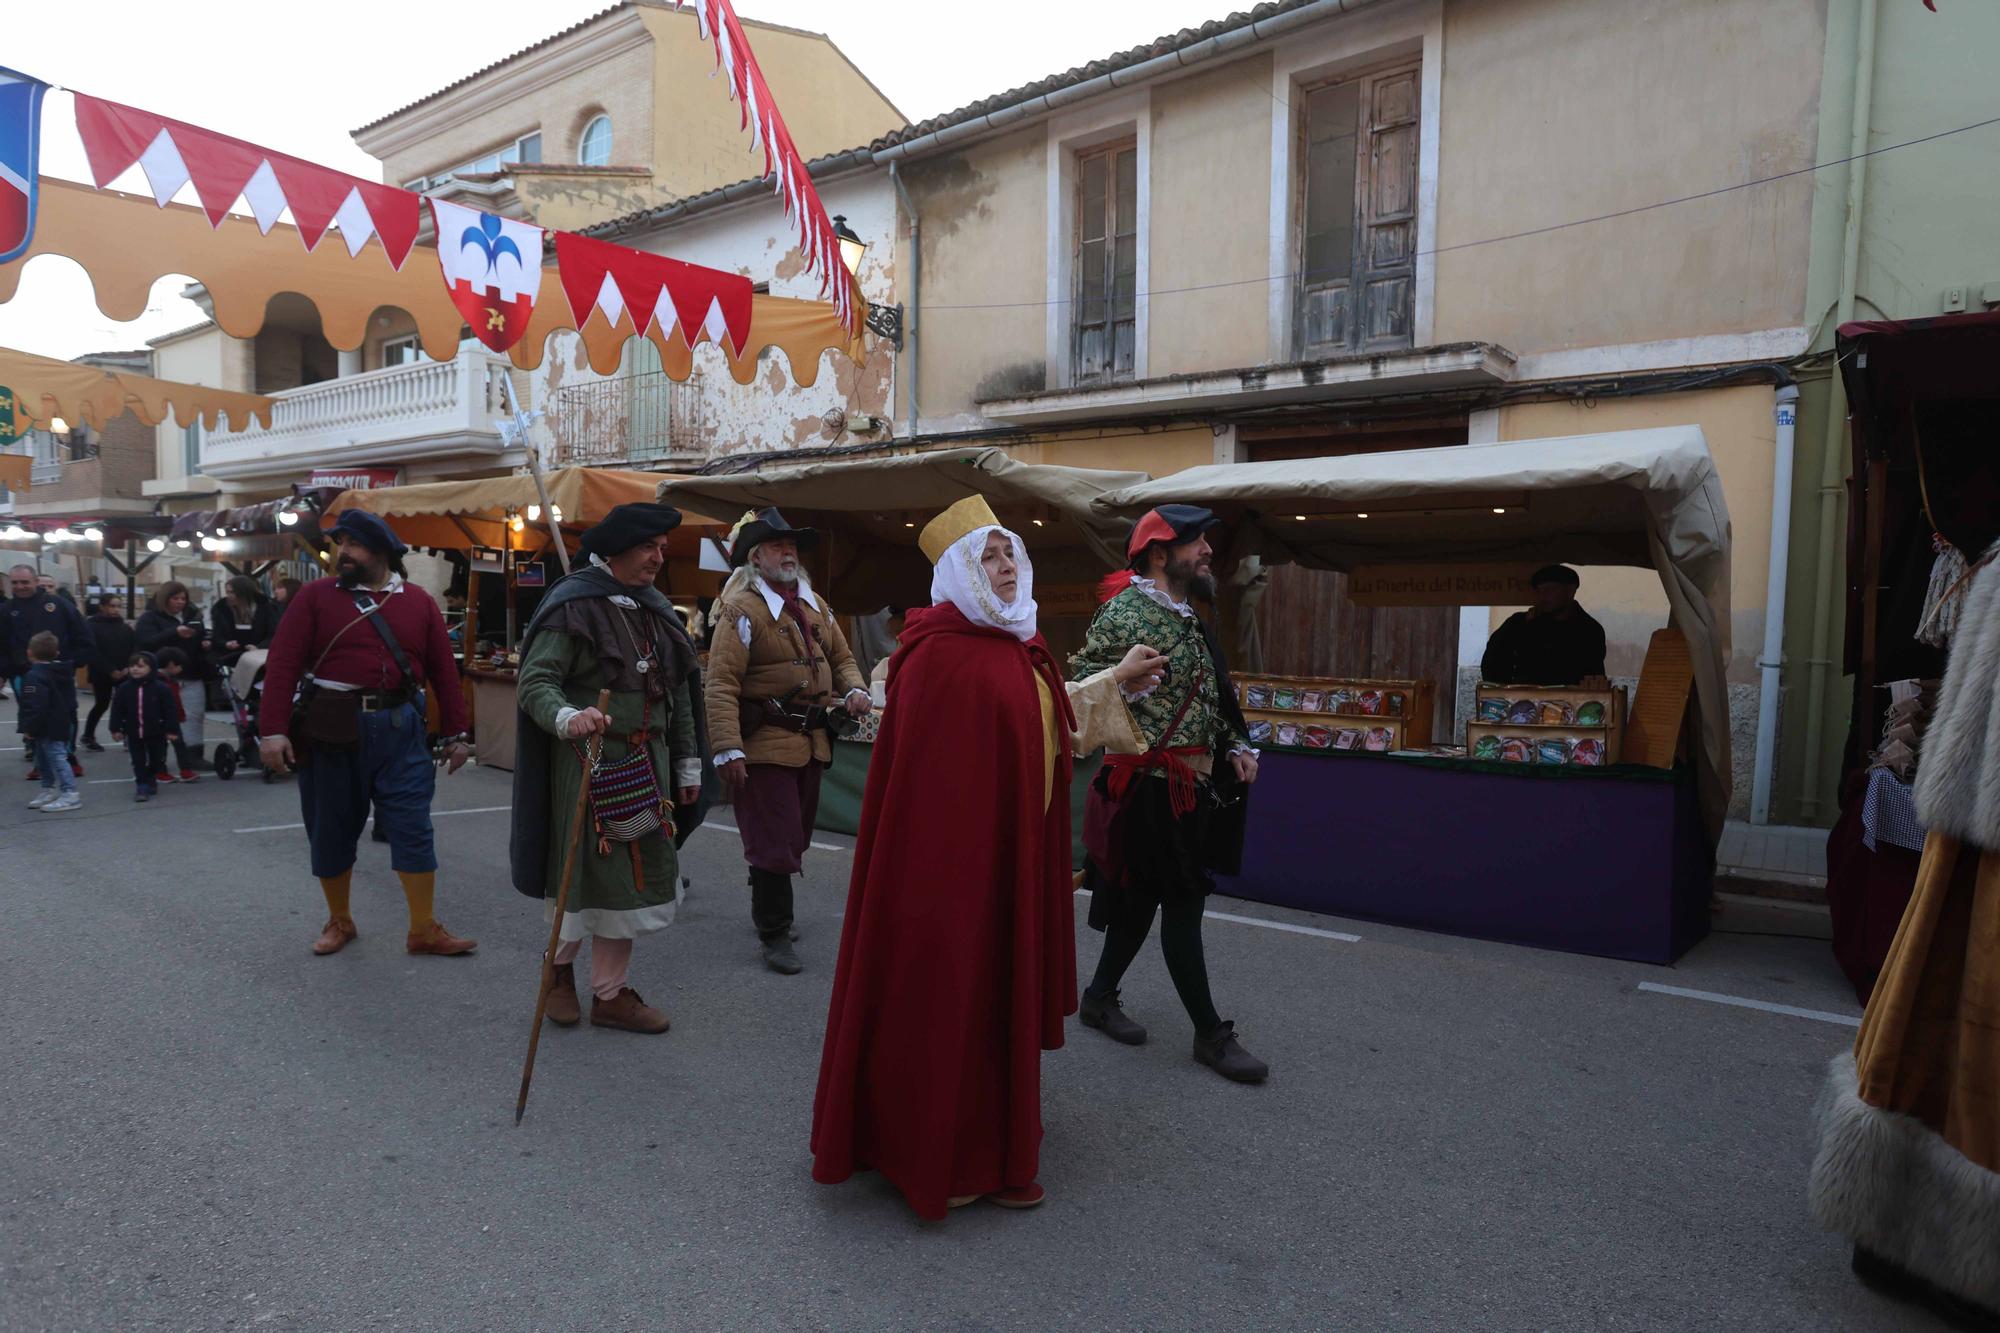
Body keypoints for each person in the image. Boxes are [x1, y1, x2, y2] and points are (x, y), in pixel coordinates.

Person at [811, 496, 1156, 1218]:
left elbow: (1043, 726)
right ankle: (941, 1152)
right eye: (988, 556)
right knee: (949, 1004)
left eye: (1010, 554)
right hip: (947, 879)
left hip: (1004, 864)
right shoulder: (937, 657)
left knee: (990, 1001)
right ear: (959, 573)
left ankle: (990, 1138)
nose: (1005, 567)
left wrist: (1113, 682)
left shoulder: (1015, 647)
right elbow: (940, 792)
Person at [1809, 539, 2000, 1327]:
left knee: (1931, 1018)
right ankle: (1915, 1244)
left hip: (1971, 838)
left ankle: (1895, 1234)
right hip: (1980, 847)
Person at [1072, 504, 1268, 1083]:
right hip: (1146, 785)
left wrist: (1235, 743)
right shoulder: (1124, 614)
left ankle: (1099, 996)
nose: (1208, 551)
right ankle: (1210, 1034)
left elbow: (1218, 695)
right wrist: (1124, 687)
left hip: (1193, 783)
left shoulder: (1190, 614)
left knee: (1141, 899)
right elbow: (1081, 688)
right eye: (1195, 542)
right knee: (1183, 903)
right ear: (1161, 553)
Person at [510, 503, 714, 1034]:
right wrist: (570, 715)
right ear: (618, 550)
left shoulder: (656, 610)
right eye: (650, 547)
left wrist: (689, 767)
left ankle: (610, 995)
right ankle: (558, 973)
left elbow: (679, 696)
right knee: (581, 875)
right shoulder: (570, 607)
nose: (659, 557)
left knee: (631, 879)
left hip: (650, 766)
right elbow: (536, 683)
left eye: (662, 548)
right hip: (588, 763)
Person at [256, 511, 476, 959]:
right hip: (332, 727)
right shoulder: (315, 597)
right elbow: (281, 665)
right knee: (331, 828)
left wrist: (457, 732)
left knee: (413, 828)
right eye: (341, 544)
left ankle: (423, 929)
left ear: (381, 551)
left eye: (353, 545)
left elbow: (443, 673)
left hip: (402, 729)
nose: (344, 553)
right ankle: (340, 920)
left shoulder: (419, 602)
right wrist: (273, 731)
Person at [702, 508, 870, 975]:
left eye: (792, 545)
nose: (789, 552)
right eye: (778, 546)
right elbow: (720, 686)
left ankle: (767, 897)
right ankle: (774, 932)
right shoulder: (742, 610)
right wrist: (727, 748)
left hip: (811, 742)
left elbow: (842, 656)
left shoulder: (815, 605)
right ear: (757, 557)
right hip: (763, 742)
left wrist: (855, 688)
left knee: (792, 837)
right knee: (775, 841)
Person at [5, 562, 96, 779]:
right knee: (34, 716)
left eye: (25, 582)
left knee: (65, 715)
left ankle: (68, 756)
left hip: (59, 673)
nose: (20, 586)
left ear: (36, 582)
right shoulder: (6, 610)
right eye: (15, 582)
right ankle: (40, 760)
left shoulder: (59, 605)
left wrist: (73, 662)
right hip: (23, 674)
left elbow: (83, 636)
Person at [1479, 564, 1608, 686]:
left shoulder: (1590, 630)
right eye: (1539, 590)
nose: (1543, 596)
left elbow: (1592, 679)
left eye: (1550, 589)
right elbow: (1491, 663)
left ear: (1570, 590)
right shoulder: (1518, 623)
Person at [136, 582, 212, 769]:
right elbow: (145, 642)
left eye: (183, 599)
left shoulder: (192, 617)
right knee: (160, 718)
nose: (180, 602)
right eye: (175, 598)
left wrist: (205, 643)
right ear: (165, 599)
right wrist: (174, 632)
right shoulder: (150, 618)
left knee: (194, 715)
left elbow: (199, 640)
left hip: (192, 673)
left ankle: (193, 755)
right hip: (163, 675)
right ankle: (156, 760)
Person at [19, 631, 80, 812]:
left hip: (46, 724)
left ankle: (70, 794)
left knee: (56, 758)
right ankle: (48, 789)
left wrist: (28, 726)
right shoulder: (62, 672)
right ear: (56, 653)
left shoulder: (34, 676)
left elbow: (34, 704)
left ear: (29, 652)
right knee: (43, 758)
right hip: (60, 721)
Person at [108, 651, 178, 803]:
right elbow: (117, 710)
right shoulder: (124, 688)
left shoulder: (161, 688)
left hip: (156, 731)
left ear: (151, 668)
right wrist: (116, 728)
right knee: (138, 760)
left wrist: (171, 729)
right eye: (132, 666)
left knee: (157, 759)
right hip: (133, 731)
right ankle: (142, 785)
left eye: (140, 666)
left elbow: (170, 710)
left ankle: (151, 777)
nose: (135, 669)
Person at [81, 595, 136, 752]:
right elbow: (93, 651)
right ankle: (88, 736)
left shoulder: (125, 627)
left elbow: (133, 648)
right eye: (112, 606)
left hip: (124, 671)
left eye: (119, 606)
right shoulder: (91, 625)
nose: (116, 609)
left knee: (126, 705)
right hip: (101, 672)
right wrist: (110, 670)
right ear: (103, 606)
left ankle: (128, 736)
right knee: (101, 704)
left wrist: (127, 667)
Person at [152, 647, 201, 783]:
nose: (182, 669)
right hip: (161, 720)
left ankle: (185, 770)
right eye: (180, 666)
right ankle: (160, 772)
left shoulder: (170, 681)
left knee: (179, 744)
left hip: (172, 719)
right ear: (171, 664)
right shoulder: (159, 682)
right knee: (161, 746)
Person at [210, 574, 277, 672]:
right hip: (229, 659)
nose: (229, 596)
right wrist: (226, 643)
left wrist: (258, 647)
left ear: (244, 592)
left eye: (232, 592)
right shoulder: (222, 609)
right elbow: (217, 636)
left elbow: (274, 634)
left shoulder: (266, 607)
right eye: (227, 592)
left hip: (259, 660)